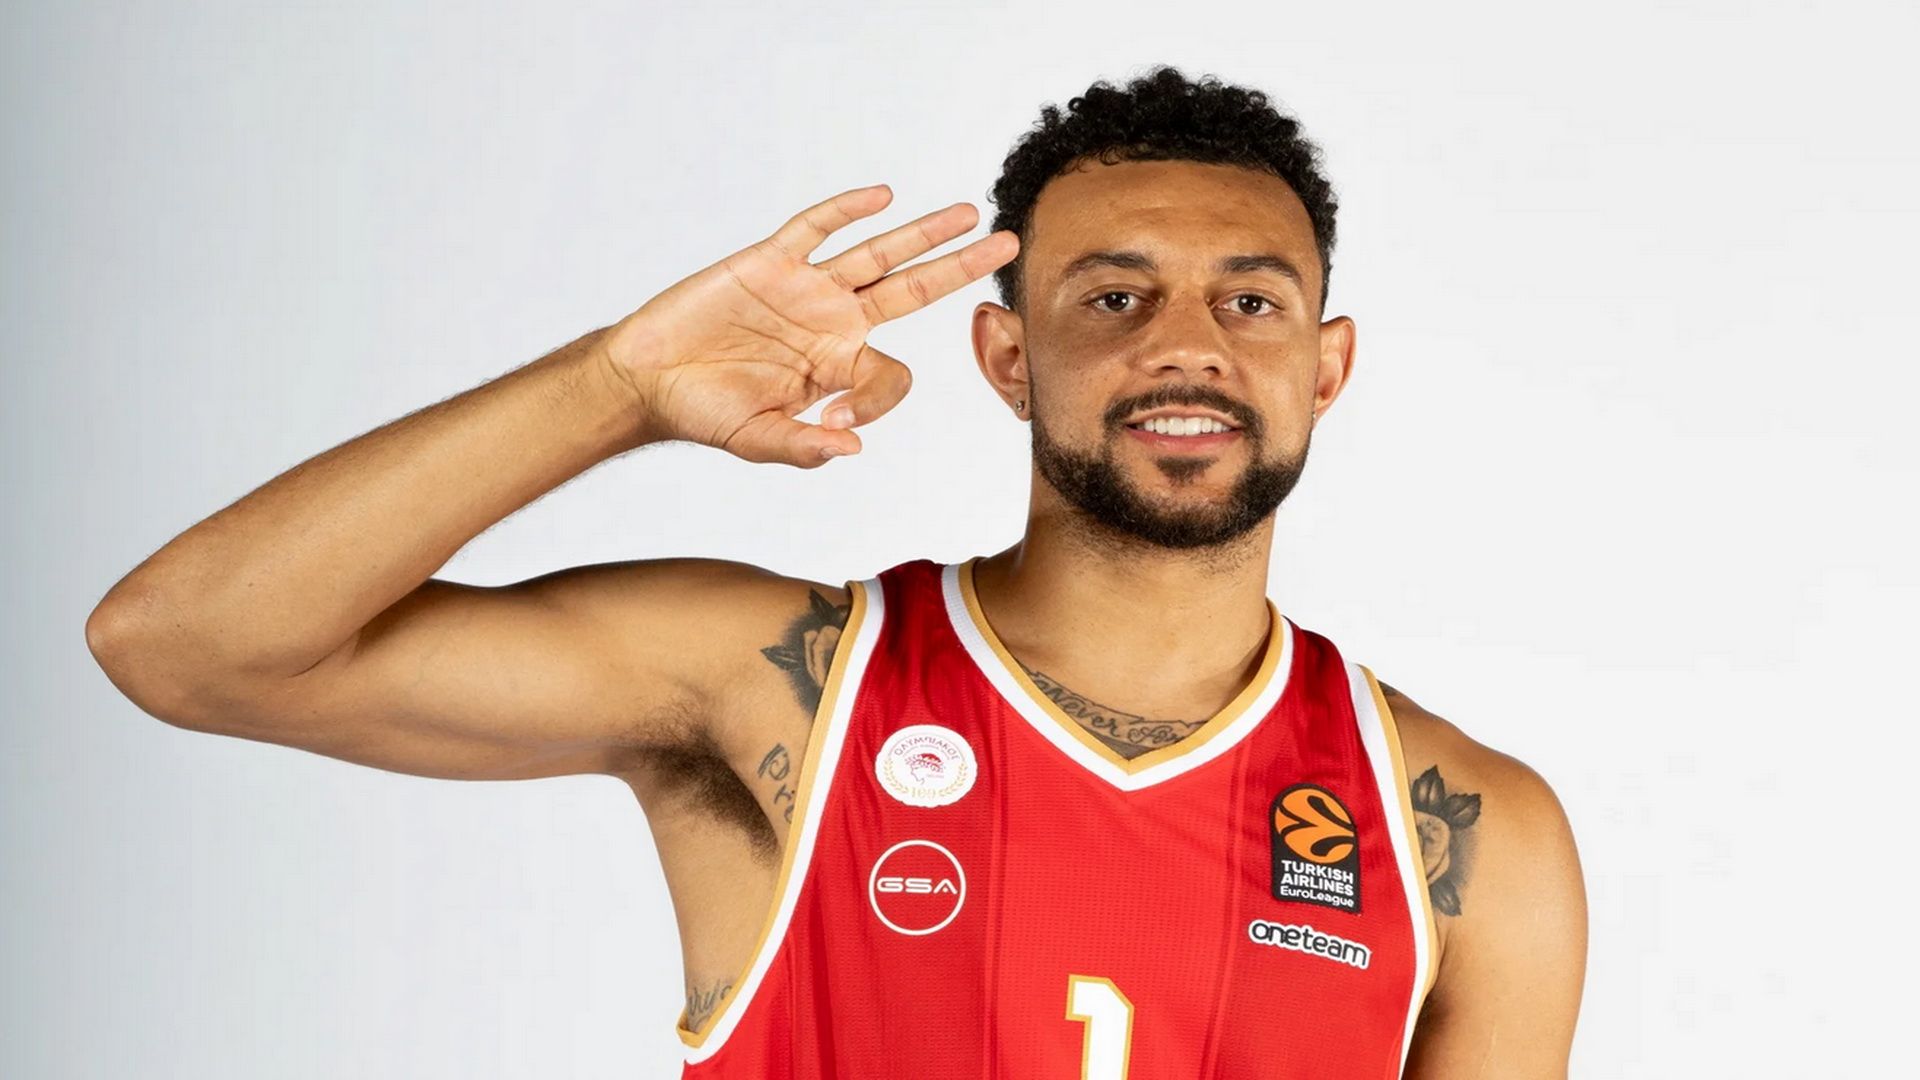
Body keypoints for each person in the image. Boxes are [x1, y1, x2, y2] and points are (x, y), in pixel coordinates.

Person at [86, 66, 1586, 1078]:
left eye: (1250, 302)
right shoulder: (770, 688)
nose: (1183, 345)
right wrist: (617, 386)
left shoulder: (1470, 834)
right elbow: (186, 644)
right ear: (1007, 355)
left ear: (1325, 366)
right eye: (1112, 295)